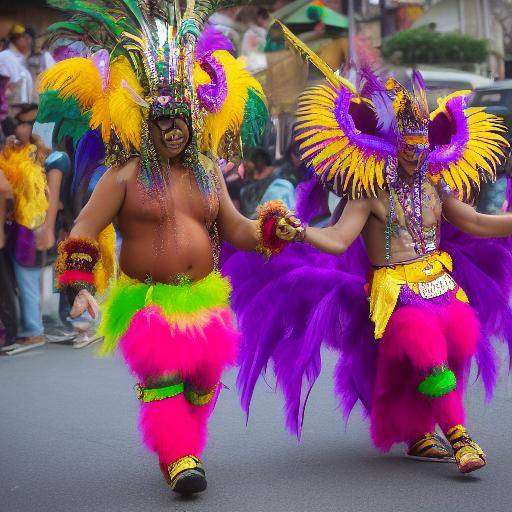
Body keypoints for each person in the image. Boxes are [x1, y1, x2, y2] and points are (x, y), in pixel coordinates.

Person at [224, 24, 512, 476]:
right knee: (429, 350)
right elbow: (338, 239)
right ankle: (459, 437)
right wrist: (301, 233)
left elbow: (476, 222)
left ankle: (416, 430)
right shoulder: (370, 193)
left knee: (456, 345)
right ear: (394, 144)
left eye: (421, 147)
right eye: (408, 147)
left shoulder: (437, 187)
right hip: (394, 291)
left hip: (440, 280)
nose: (415, 155)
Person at [42, 0, 279, 496]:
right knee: (165, 379)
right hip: (146, 300)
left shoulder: (208, 169)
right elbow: (83, 227)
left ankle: (183, 446)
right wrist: (78, 285)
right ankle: (179, 456)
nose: (173, 129)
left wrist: (272, 232)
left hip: (205, 297)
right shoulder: (123, 176)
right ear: (147, 123)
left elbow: (236, 229)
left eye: (180, 119)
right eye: (162, 120)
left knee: (203, 385)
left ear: (193, 119)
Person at [0, 104, 71, 354]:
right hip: (21, 225)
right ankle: (32, 327)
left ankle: (33, 331)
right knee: (27, 280)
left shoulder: (34, 156)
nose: (24, 128)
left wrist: (46, 227)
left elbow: (40, 197)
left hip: (29, 226)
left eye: (27, 124)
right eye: (21, 123)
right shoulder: (19, 153)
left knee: (27, 279)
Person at [240, 147, 295, 218]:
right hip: (254, 206)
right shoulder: (251, 174)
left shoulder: (275, 172)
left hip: (270, 203)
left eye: (260, 159)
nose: (259, 163)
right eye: (256, 160)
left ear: (264, 159)